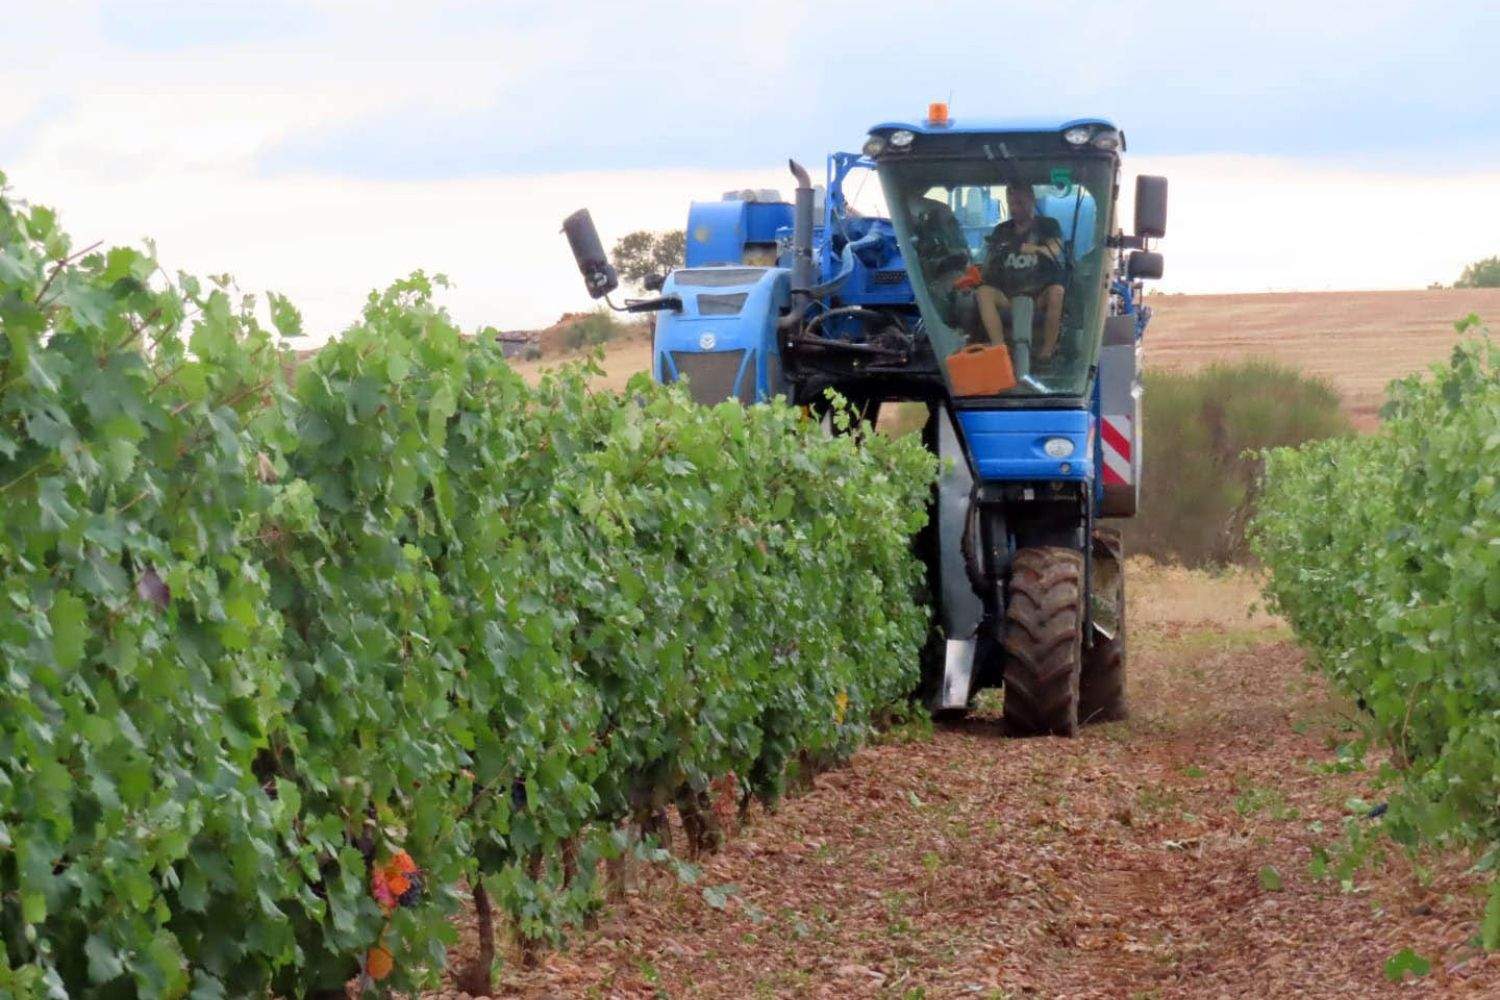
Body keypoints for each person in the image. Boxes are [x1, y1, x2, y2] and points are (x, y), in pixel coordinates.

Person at [973, 185, 1065, 360]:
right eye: (1011, 203)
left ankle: (1046, 352)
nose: (1014, 208)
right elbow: (989, 260)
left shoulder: (1048, 226)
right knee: (983, 292)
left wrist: (1034, 249)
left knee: (1057, 292)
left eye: (1020, 203)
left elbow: (1055, 250)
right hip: (1007, 297)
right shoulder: (1001, 230)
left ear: (1032, 200)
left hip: (1039, 297)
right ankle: (1000, 351)